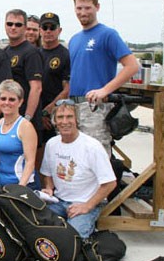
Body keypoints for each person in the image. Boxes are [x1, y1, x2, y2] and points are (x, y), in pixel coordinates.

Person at [69, 0, 139, 156]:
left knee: (96, 157)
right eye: (79, 8)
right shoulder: (74, 40)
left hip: (95, 108)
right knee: (76, 158)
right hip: (73, 107)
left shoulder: (108, 34)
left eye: (87, 7)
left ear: (97, 7)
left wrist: (105, 90)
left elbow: (132, 66)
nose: (83, 12)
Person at [40, 99, 116, 238]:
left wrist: (87, 206)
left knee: (72, 239)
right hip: (58, 201)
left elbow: (110, 183)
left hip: (84, 203)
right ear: (54, 121)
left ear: (77, 119)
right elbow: (47, 173)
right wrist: (49, 188)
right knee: (36, 228)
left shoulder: (92, 146)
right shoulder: (52, 144)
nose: (65, 121)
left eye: (69, 117)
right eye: (60, 117)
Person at [0, 80, 39, 190]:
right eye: (3, 99)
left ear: (20, 102)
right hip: (0, 183)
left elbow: (30, 162)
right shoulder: (1, 122)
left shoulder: (25, 126)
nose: (7, 103)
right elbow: (0, 145)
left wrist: (20, 189)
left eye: (12, 99)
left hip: (21, 185)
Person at [4, 9, 44, 141]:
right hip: (8, 118)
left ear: (25, 28)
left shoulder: (31, 53)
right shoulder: (4, 52)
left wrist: (27, 118)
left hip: (26, 120)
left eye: (18, 24)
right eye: (10, 24)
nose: (13, 27)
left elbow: (36, 88)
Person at [39, 12, 70, 148]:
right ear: (40, 30)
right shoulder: (34, 54)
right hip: (36, 114)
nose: (48, 31)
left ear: (59, 30)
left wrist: (49, 110)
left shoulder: (65, 55)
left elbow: (68, 88)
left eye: (52, 27)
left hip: (56, 113)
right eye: (45, 27)